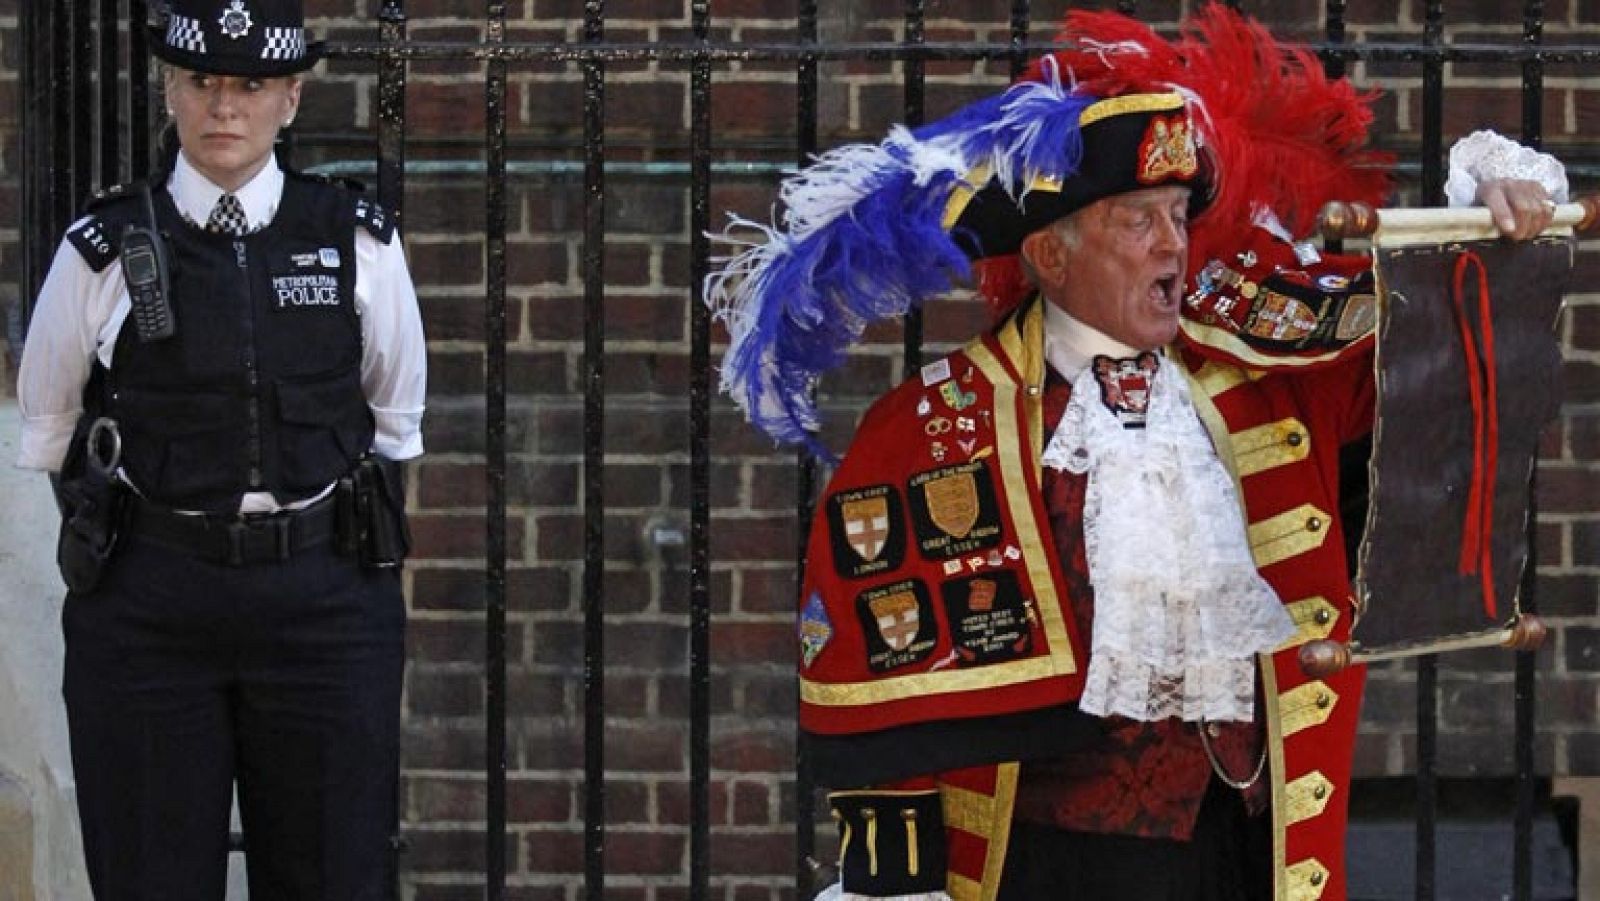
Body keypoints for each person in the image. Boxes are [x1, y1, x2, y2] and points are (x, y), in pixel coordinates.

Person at [706, 6, 1563, 900]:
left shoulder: (1262, 377)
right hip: (1043, 865)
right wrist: (897, 884)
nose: (1172, 243)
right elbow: (888, 710)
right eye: (1134, 219)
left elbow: (1426, 350)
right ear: (1049, 253)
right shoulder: (932, 426)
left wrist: (1491, 222)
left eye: (1177, 214)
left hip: (1239, 858)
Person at [15, 1, 426, 898]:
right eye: (202, 81)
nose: (225, 108)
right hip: (151, 609)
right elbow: (50, 429)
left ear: (291, 96)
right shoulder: (103, 250)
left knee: (335, 875)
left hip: (323, 604)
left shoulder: (356, 242)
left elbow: (395, 422)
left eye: (250, 85)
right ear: (169, 90)